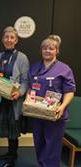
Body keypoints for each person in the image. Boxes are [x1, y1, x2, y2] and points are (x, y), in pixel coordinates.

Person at [0, 26, 29, 167]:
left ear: (16, 40)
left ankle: (12, 159)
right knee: (7, 128)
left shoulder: (22, 57)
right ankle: (10, 153)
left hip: (15, 100)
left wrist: (19, 93)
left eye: (12, 38)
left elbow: (26, 81)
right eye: (6, 37)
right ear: (2, 39)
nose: (9, 40)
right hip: (2, 99)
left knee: (13, 129)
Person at [28, 35, 76, 167]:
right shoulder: (34, 67)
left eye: (51, 48)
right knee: (39, 142)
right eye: (45, 48)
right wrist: (28, 100)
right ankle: (42, 164)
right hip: (37, 113)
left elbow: (70, 91)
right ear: (41, 50)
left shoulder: (64, 69)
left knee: (52, 145)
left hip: (55, 114)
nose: (47, 51)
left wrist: (63, 106)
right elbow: (30, 88)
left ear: (57, 51)